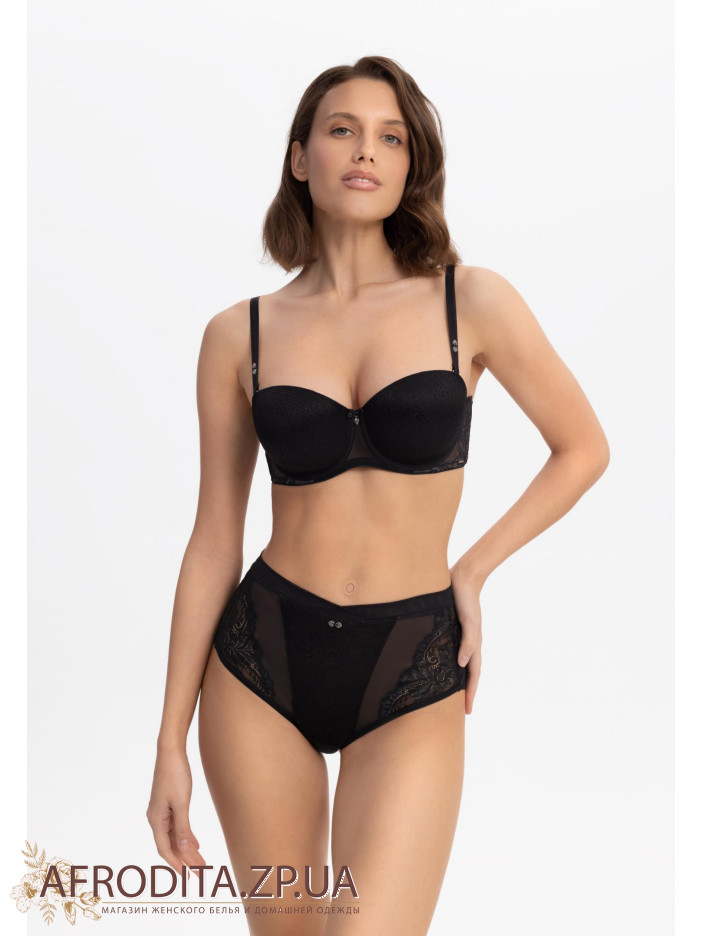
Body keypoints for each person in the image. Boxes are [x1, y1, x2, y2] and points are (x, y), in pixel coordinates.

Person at [147, 55, 610, 935]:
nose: (367, 150)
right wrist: (169, 741)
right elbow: (213, 538)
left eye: (391, 137)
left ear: (410, 166)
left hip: (413, 661)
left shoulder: (471, 301)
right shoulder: (238, 334)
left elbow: (582, 448)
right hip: (258, 665)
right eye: (343, 129)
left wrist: (471, 570)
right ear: (300, 157)